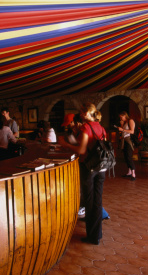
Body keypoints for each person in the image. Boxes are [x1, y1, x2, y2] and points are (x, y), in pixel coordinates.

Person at [58, 103, 106, 245]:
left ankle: (92, 236)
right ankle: (97, 234)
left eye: (81, 111)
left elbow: (81, 150)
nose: (79, 114)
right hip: (101, 168)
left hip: (88, 168)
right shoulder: (101, 127)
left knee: (89, 202)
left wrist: (64, 144)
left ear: (86, 113)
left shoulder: (86, 127)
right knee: (97, 201)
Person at [117, 111, 136, 181]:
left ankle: (133, 174)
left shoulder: (130, 120)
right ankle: (129, 172)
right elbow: (123, 132)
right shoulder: (125, 123)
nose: (120, 118)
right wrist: (122, 125)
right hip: (124, 141)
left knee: (129, 156)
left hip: (128, 141)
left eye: (121, 117)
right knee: (125, 156)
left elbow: (132, 131)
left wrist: (122, 129)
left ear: (125, 115)